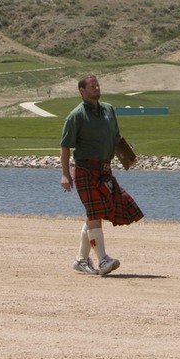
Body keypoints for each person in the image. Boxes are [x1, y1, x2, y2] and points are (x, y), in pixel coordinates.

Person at [60, 74, 144, 276]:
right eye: (92, 86)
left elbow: (116, 138)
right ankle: (103, 260)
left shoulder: (108, 110)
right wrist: (65, 175)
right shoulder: (76, 116)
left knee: (97, 212)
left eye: (97, 85)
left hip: (105, 170)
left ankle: (81, 259)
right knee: (94, 213)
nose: (97, 88)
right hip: (84, 170)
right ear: (82, 91)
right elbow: (65, 147)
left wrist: (128, 157)